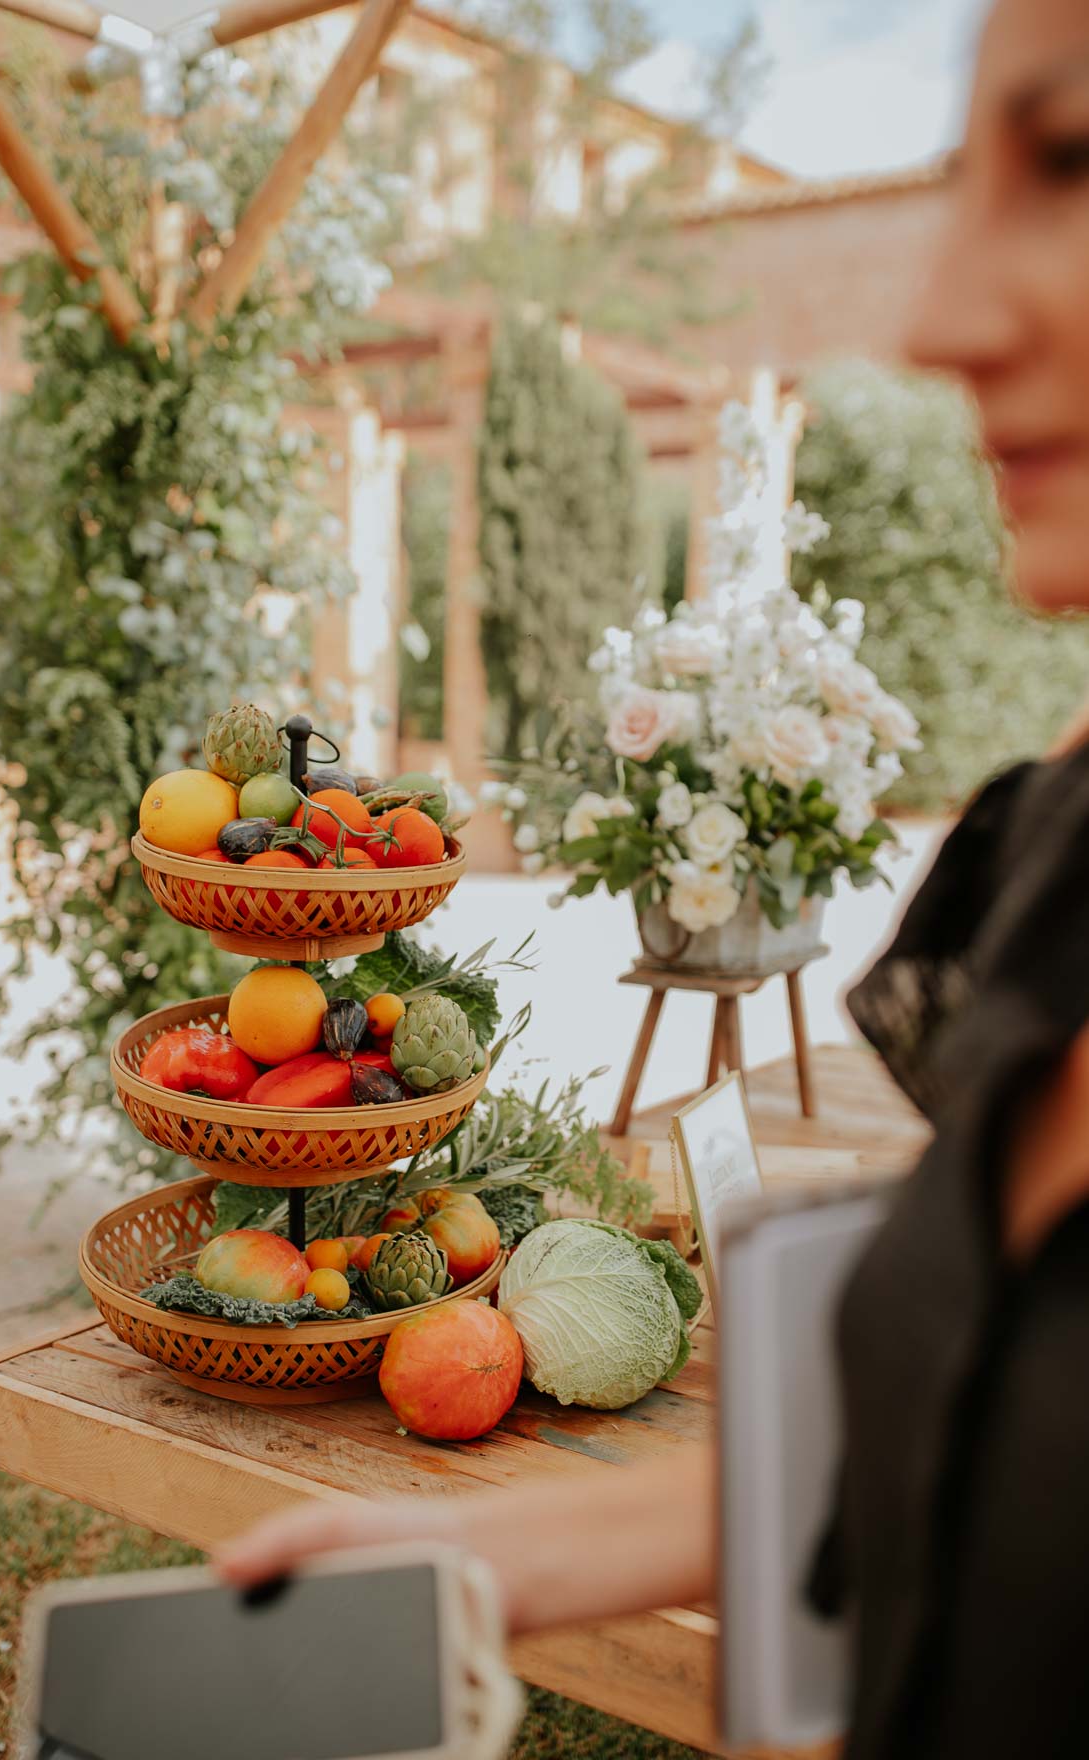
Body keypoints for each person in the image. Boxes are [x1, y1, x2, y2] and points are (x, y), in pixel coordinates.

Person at [220, 1, 1089, 1751]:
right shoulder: (1058, 855)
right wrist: (486, 1559)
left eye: (1067, 157)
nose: (933, 315)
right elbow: (963, 1403)